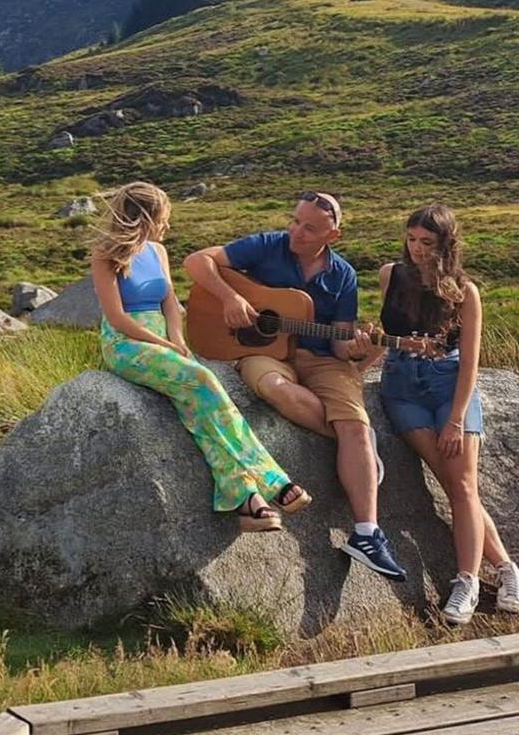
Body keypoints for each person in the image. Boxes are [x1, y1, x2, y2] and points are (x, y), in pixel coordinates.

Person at [184, 192, 407, 581]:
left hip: (322, 359)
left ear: (332, 236)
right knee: (277, 389)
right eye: (295, 221)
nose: (297, 232)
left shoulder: (343, 275)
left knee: (353, 421)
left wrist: (358, 348)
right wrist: (230, 297)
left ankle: (367, 534)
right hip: (265, 355)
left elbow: (340, 345)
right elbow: (196, 261)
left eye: (309, 228)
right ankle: (358, 444)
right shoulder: (269, 245)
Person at [92, 182, 310, 531]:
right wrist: (163, 344)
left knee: (198, 403)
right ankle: (273, 480)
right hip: (126, 344)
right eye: (163, 218)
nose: (167, 225)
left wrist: (177, 340)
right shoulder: (105, 256)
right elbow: (116, 318)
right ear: (145, 218)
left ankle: (246, 497)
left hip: (164, 340)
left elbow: (170, 304)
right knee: (203, 379)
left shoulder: (158, 251)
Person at [374, 204, 519, 624]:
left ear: (446, 244)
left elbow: (471, 361)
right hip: (401, 387)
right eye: (411, 239)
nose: (417, 249)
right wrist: (359, 354)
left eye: (427, 242)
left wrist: (456, 419)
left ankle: (467, 583)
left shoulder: (464, 290)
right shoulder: (389, 275)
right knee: (454, 483)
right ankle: (507, 569)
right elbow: (388, 338)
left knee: (463, 485)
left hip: (447, 385)